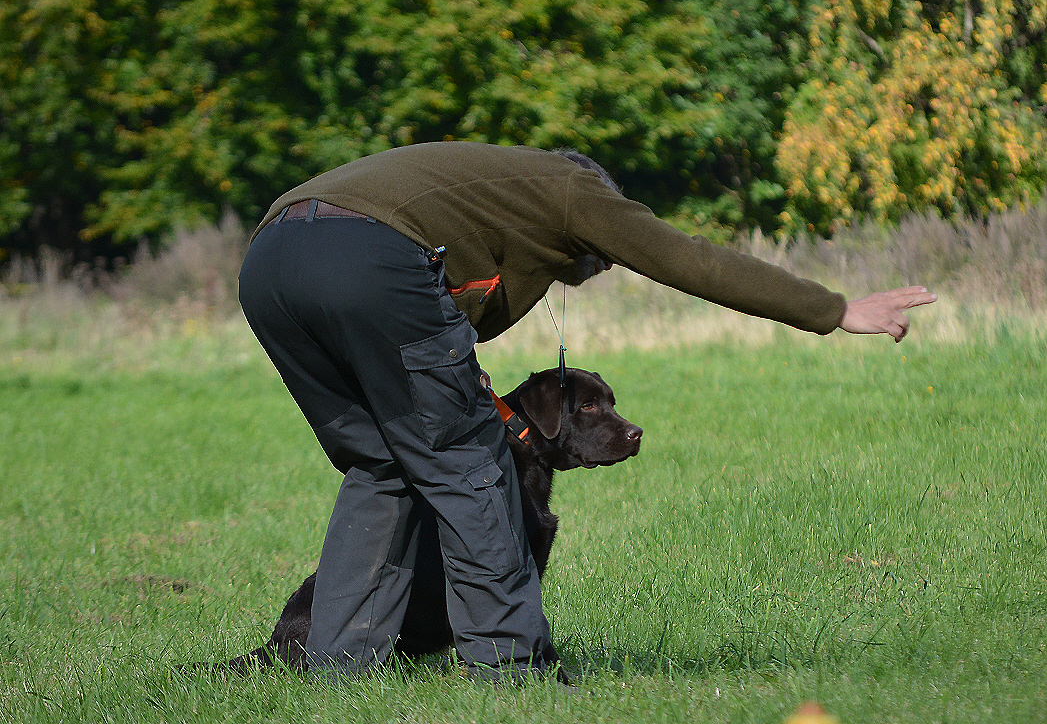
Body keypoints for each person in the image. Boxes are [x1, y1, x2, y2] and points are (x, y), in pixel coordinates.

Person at [237, 141, 935, 682]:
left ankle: (339, 667)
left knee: (382, 460)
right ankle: (513, 670)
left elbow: (439, 307)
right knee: (469, 464)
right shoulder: (573, 190)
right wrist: (836, 310)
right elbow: (690, 260)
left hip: (271, 260)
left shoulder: (492, 190)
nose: (601, 266)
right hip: (365, 257)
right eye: (604, 253)